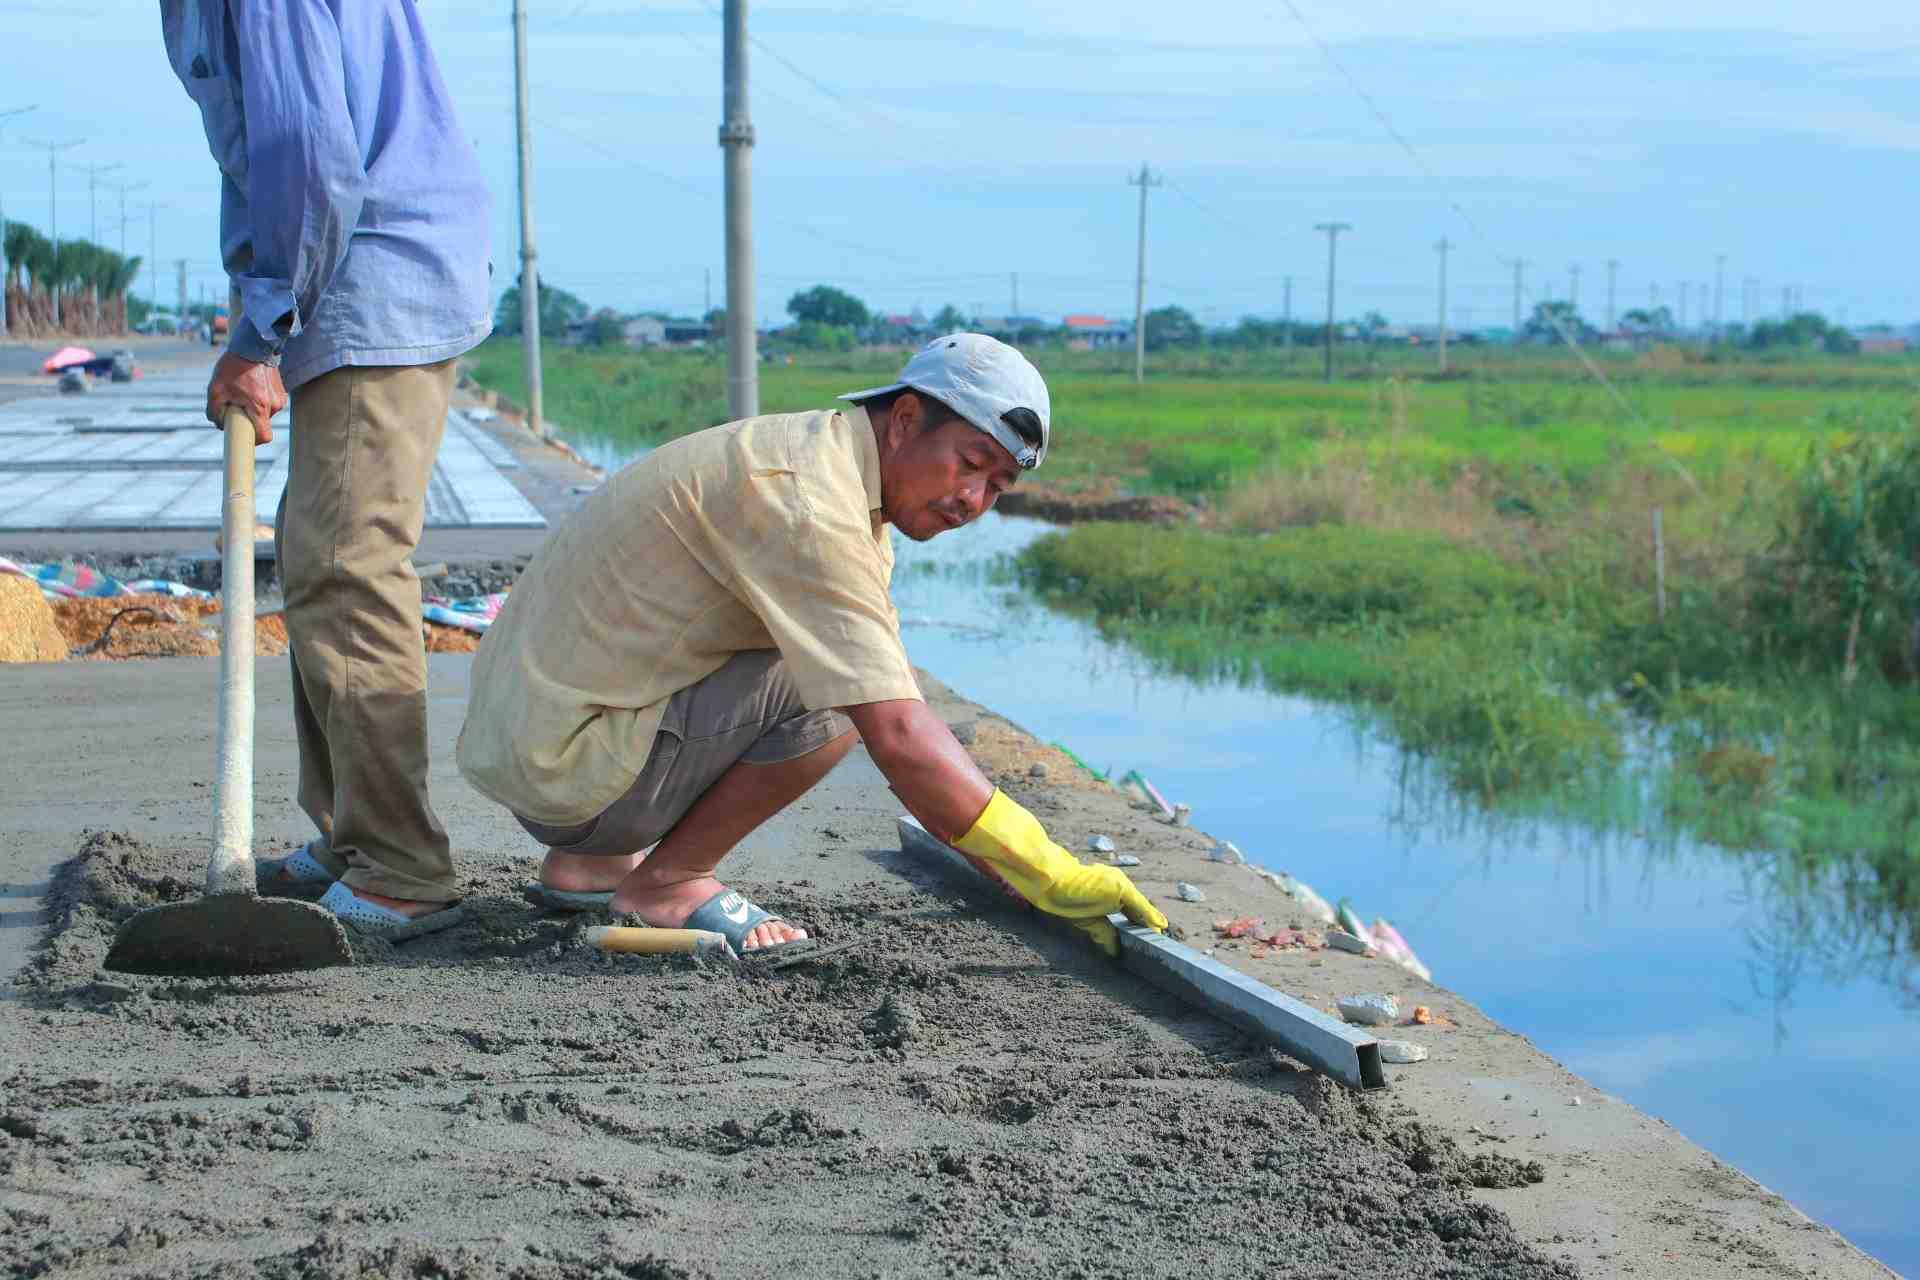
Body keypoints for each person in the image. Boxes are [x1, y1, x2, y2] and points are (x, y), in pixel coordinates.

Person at [457, 334, 1166, 958]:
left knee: (842, 665)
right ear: (908, 419)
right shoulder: (809, 502)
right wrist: (1049, 872)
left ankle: (591, 866)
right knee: (833, 698)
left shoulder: (815, 457)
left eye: (998, 486)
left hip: (540, 744)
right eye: (969, 462)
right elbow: (899, 732)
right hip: (568, 770)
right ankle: (667, 884)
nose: (973, 499)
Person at [163, 0, 493, 939]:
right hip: (350, 274)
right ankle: (352, 834)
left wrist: (261, 331)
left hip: (373, 271)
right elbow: (264, 158)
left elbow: (310, 164)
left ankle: (399, 868)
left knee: (349, 563)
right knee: (319, 555)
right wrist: (252, 314)